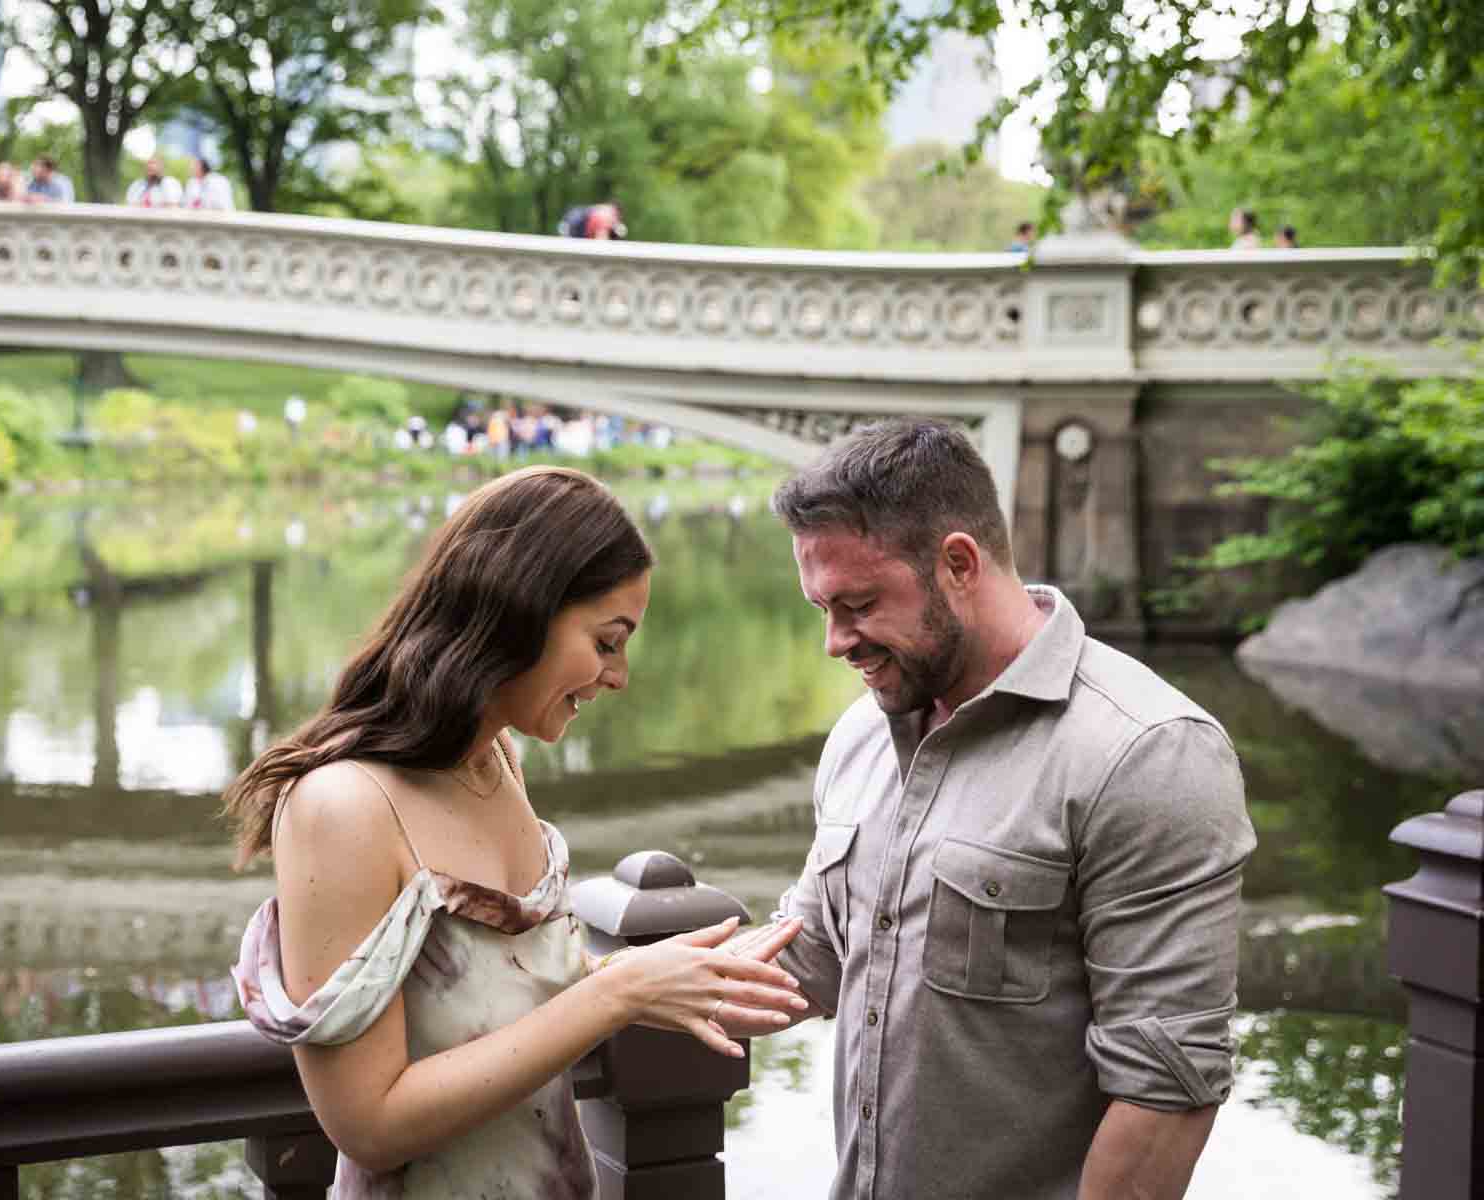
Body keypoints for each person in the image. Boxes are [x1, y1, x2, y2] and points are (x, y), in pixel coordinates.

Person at [225, 466, 807, 1197]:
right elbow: (365, 1124)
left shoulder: (498, 761)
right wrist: (613, 995)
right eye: (606, 641)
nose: (619, 675)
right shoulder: (341, 806)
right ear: (520, 611)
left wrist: (665, 981)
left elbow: (498, 994)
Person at [741, 420, 1255, 1200]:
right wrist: (586, 995)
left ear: (957, 564)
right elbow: (810, 957)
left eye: (859, 604)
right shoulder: (861, 732)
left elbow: (1164, 1093)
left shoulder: (1148, 753)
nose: (835, 642)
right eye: (822, 608)